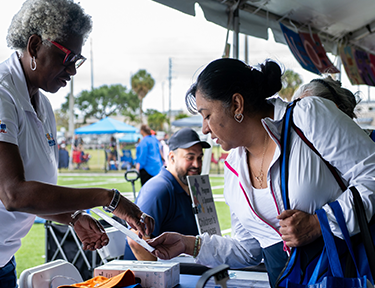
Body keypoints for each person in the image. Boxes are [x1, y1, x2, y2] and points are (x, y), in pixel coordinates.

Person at [0, 1, 154, 287]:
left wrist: (73, 217)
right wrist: (108, 198)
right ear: (34, 47)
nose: (73, 70)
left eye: (77, 60)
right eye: (67, 57)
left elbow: (33, 193)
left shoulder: (41, 105)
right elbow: (14, 195)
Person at [146, 58, 375, 287]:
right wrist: (189, 244)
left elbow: (371, 174)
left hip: (345, 273)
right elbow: (249, 249)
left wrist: (318, 223)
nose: (204, 128)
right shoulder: (234, 171)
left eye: (207, 115)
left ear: (236, 104)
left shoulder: (306, 116)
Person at [124, 128, 210, 261]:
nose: (197, 164)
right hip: (158, 276)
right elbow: (135, 240)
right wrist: (162, 279)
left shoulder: (192, 186)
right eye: (190, 157)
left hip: (190, 266)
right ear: (172, 157)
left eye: (199, 158)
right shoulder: (159, 190)